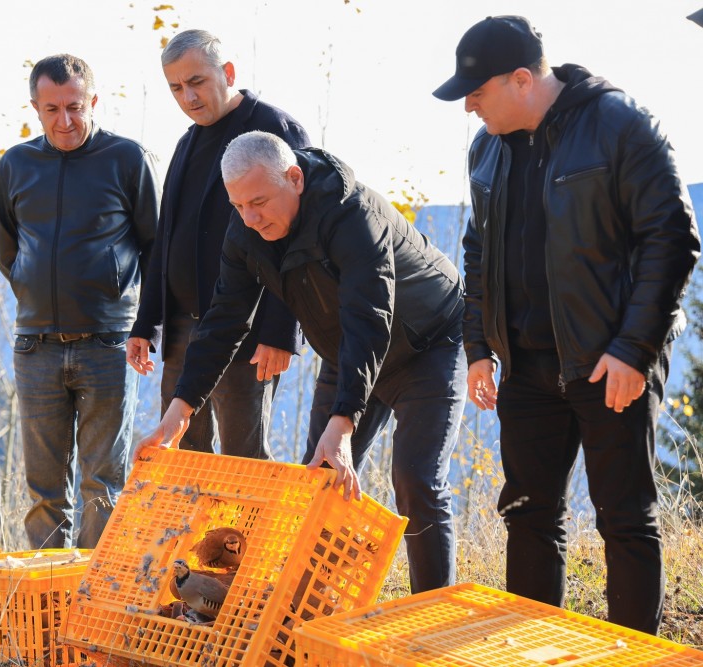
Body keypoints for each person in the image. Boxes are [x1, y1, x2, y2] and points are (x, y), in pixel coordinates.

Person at [433, 16, 699, 633]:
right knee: (527, 514)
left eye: (477, 92)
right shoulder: (487, 148)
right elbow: (478, 249)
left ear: (522, 79)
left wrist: (635, 350)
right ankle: (531, 648)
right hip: (525, 365)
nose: (468, 106)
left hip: (608, 361)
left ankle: (636, 652)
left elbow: (673, 238)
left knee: (624, 519)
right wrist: (479, 345)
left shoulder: (619, 125)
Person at [137, 131, 468, 594]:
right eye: (238, 207)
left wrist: (344, 421)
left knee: (416, 478)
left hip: (427, 342)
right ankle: (302, 613)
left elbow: (369, 317)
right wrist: (178, 414)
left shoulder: (355, 215)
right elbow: (222, 323)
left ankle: (431, 615)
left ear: (294, 178)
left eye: (259, 202)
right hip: (346, 351)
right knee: (319, 481)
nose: (250, 218)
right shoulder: (247, 232)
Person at [0, 54, 160, 549]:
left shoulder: (128, 159)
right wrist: (32, 288)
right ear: (35, 108)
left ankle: (94, 603)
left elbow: (157, 249)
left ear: (93, 101)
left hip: (108, 344)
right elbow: (9, 251)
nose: (64, 121)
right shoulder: (16, 164)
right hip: (35, 347)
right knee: (44, 491)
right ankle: (48, 605)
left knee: (102, 487)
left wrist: (144, 328)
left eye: (74, 107)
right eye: (51, 109)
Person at [126, 30, 308, 460]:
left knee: (242, 459)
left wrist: (281, 331)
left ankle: (245, 533)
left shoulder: (275, 128)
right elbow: (166, 236)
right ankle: (194, 532)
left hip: (247, 329)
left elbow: (303, 239)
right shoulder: (186, 143)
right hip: (182, 329)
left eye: (197, 82)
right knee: (181, 453)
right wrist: (147, 322)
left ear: (227, 72)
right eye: (176, 87)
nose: (187, 96)